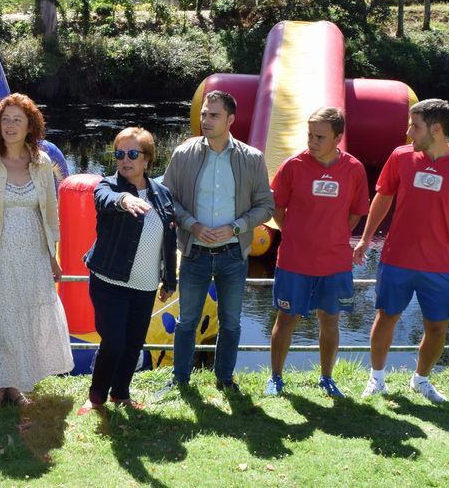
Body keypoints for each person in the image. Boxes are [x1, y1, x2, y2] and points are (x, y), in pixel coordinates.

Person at [353, 98, 449, 403]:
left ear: (436, 129)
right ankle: (377, 379)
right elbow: (383, 198)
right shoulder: (400, 157)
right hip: (397, 258)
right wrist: (365, 238)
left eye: (415, 126)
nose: (409, 132)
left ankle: (421, 380)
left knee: (437, 327)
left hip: (441, 265)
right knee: (386, 316)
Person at [0, 93, 74, 411]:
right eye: (5, 119)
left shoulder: (40, 164)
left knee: (25, 315)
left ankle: (17, 384)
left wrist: (53, 257)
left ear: (30, 126)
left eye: (17, 120)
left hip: (33, 255)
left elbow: (49, 213)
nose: (10, 125)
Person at [161, 90, 274, 394]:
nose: (206, 120)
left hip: (233, 255)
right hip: (194, 252)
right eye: (204, 114)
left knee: (231, 322)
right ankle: (180, 380)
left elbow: (266, 205)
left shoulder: (252, 158)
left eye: (214, 115)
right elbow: (167, 199)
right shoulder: (183, 154)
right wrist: (192, 225)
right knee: (187, 321)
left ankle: (224, 379)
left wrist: (236, 227)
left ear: (231, 119)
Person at [264, 107, 369, 398]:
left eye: (320, 136)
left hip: (334, 262)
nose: (312, 141)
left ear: (338, 137)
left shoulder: (354, 169)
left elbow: (357, 212)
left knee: (330, 320)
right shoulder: (293, 166)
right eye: (310, 135)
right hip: (294, 260)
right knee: (285, 319)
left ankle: (326, 377)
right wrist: (296, 234)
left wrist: (333, 236)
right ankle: (275, 377)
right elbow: (277, 209)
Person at [78, 127, 177, 415]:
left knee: (133, 344)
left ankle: (120, 394)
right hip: (109, 281)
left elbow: (168, 240)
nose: (125, 160)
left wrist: (169, 280)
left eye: (133, 154)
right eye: (119, 154)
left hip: (145, 286)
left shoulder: (163, 194)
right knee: (114, 343)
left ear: (147, 159)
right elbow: (104, 200)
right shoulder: (107, 186)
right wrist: (124, 200)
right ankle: (96, 398)